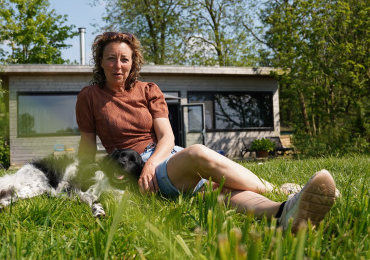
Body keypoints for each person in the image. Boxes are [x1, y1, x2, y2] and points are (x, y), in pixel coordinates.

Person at [75, 31, 336, 232]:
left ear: (133, 63)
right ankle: (280, 189)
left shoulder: (148, 89)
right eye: (111, 58)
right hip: (134, 169)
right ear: (101, 61)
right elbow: (86, 147)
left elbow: (167, 137)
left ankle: (282, 212)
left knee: (217, 191)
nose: (118, 65)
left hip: (163, 158)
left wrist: (153, 162)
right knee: (198, 153)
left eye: (124, 59)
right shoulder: (89, 97)